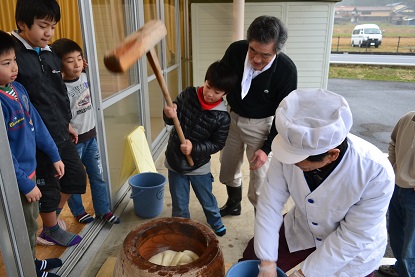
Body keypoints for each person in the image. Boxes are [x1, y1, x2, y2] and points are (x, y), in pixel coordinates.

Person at [242, 88, 395, 277]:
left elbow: (353, 236)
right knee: (252, 255)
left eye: (300, 162)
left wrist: (303, 274)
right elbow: (270, 202)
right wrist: (267, 262)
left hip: (352, 248)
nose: (291, 164)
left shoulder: (375, 171)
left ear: (332, 154)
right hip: (304, 227)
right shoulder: (290, 148)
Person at [11, 0, 86, 246]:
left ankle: (50, 217)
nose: (49, 33)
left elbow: (59, 92)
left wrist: (67, 122)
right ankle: (51, 228)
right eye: (43, 26)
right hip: (36, 139)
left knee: (75, 176)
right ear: (22, 24)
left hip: (59, 131)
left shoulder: (50, 53)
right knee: (49, 184)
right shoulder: (13, 55)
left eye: (52, 26)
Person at [219, 15, 297, 217]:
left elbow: (285, 115)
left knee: (260, 179)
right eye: (252, 50)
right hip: (232, 119)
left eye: (265, 55)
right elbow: (221, 83)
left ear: (276, 51)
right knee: (228, 166)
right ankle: (233, 204)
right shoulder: (235, 51)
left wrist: (266, 148)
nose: (255, 59)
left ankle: (262, 224)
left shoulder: (286, 71)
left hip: (261, 126)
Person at [0, 29, 64, 277]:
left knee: (31, 222)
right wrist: (25, 184)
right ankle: (30, 270)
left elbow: (36, 125)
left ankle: (33, 262)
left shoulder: (18, 90)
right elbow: (3, 155)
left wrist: (55, 154)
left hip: (29, 173)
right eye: (6, 63)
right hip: (16, 181)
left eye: (14, 60)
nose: (14, 66)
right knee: (24, 227)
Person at [163, 61, 237, 236]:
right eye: (208, 86)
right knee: (179, 202)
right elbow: (171, 119)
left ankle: (215, 220)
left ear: (225, 93)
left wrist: (194, 148)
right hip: (175, 160)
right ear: (205, 80)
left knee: (207, 199)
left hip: (199, 165)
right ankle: (182, 227)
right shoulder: (188, 94)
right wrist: (168, 114)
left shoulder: (222, 116)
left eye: (217, 92)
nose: (210, 94)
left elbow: (218, 144)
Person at [51, 38, 120, 225]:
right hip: (73, 142)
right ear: (59, 64)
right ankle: (78, 211)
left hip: (91, 137)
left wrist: (85, 67)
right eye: (69, 60)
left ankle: (103, 210)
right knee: (74, 179)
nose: (76, 64)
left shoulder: (85, 76)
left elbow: (88, 71)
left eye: (79, 59)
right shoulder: (59, 86)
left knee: (97, 176)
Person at [378, 111, 415, 277]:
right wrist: (392, 169)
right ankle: (400, 269)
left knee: (411, 247)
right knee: (396, 234)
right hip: (397, 188)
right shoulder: (408, 118)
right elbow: (393, 143)